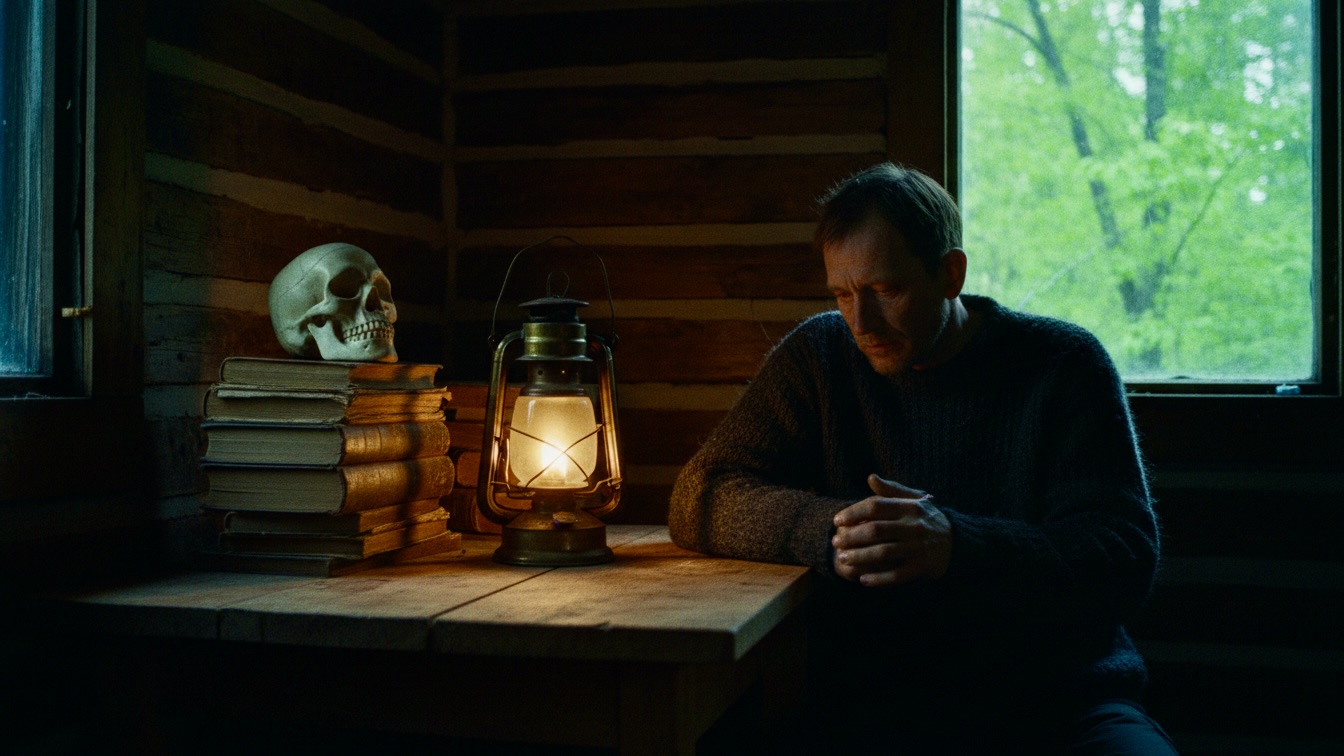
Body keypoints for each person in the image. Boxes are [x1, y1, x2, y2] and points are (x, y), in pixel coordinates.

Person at [668, 162, 1178, 754]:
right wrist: (841, 532)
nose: (860, 322)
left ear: (950, 273)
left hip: (1062, 700)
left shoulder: (1063, 365)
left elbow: (1124, 558)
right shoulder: (819, 355)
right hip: (875, 703)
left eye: (887, 291)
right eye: (841, 294)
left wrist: (955, 546)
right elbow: (699, 492)